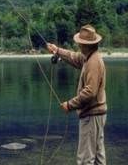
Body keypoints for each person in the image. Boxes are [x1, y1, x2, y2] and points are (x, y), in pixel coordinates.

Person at [47, 24, 107, 165]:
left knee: (85, 160)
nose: (79, 45)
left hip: (91, 115)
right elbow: (75, 57)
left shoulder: (93, 62)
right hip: (96, 114)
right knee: (98, 158)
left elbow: (90, 92)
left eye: (80, 43)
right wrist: (57, 50)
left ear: (86, 45)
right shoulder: (89, 57)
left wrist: (70, 105)